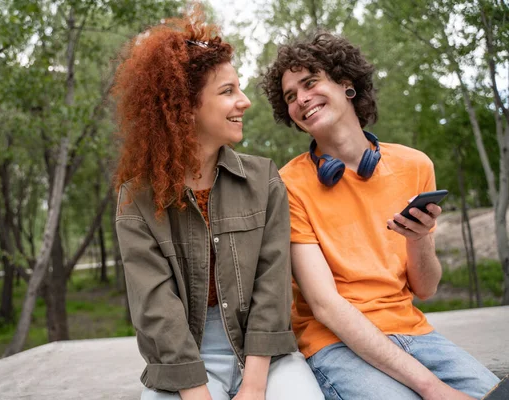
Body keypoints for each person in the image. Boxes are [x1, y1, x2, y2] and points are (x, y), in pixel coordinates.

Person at [260, 31, 500, 400]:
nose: (301, 99)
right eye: (290, 96)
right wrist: (431, 387)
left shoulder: (414, 165)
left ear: (346, 84)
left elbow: (426, 288)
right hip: (334, 342)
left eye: (310, 83)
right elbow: (324, 305)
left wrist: (419, 238)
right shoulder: (287, 184)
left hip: (415, 333)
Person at [112, 8, 324, 400]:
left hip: (265, 352)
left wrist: (254, 386)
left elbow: (272, 287)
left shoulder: (264, 180)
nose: (244, 102)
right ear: (185, 106)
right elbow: (157, 310)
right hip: (183, 362)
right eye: (228, 91)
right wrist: (197, 392)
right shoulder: (137, 198)